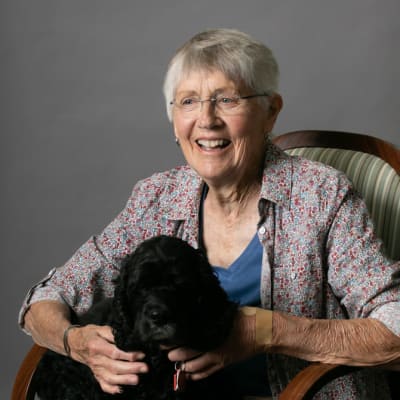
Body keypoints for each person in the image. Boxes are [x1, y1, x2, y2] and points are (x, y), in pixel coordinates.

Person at [19, 28, 400, 399]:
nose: (207, 119)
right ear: (174, 121)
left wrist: (270, 330)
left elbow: (395, 329)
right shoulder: (156, 198)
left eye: (227, 99)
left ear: (270, 112)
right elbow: (47, 299)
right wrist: (75, 342)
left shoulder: (321, 196)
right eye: (187, 101)